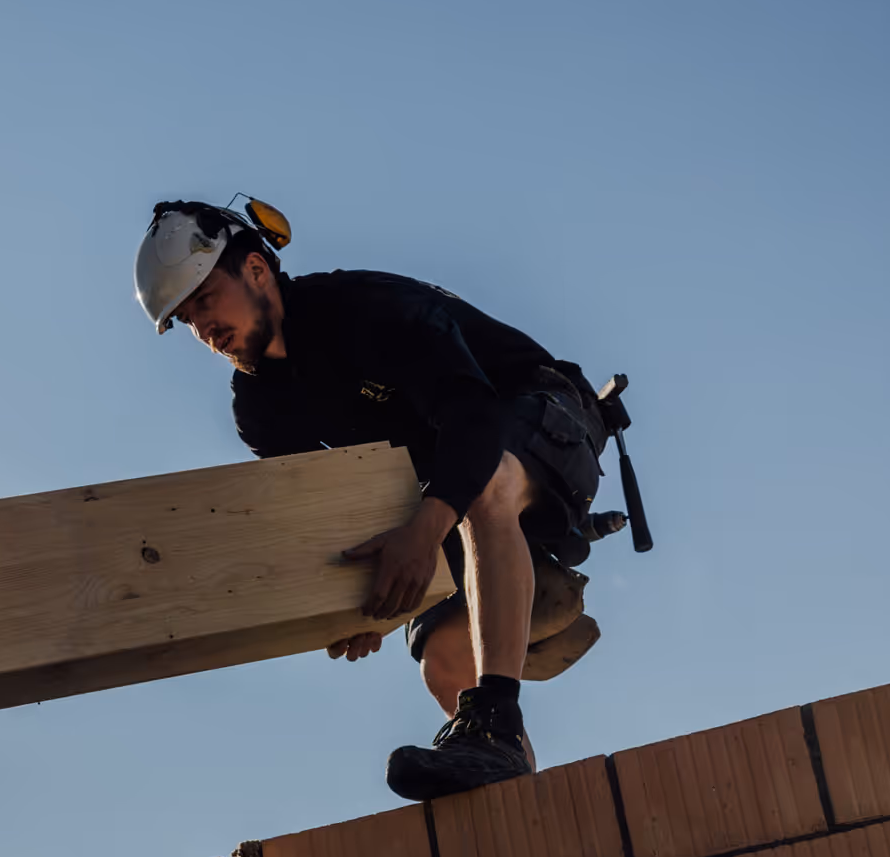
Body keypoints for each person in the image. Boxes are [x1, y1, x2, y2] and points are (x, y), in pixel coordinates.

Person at [132, 199, 612, 799]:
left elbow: (472, 418)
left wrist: (425, 531)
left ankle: (494, 720)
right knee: (443, 660)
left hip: (540, 419)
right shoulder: (259, 408)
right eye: (186, 319)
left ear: (256, 269)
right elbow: (332, 511)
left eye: (205, 299)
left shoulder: (365, 310)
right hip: (443, 493)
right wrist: (359, 608)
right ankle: (509, 781)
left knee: (487, 485)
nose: (203, 327)